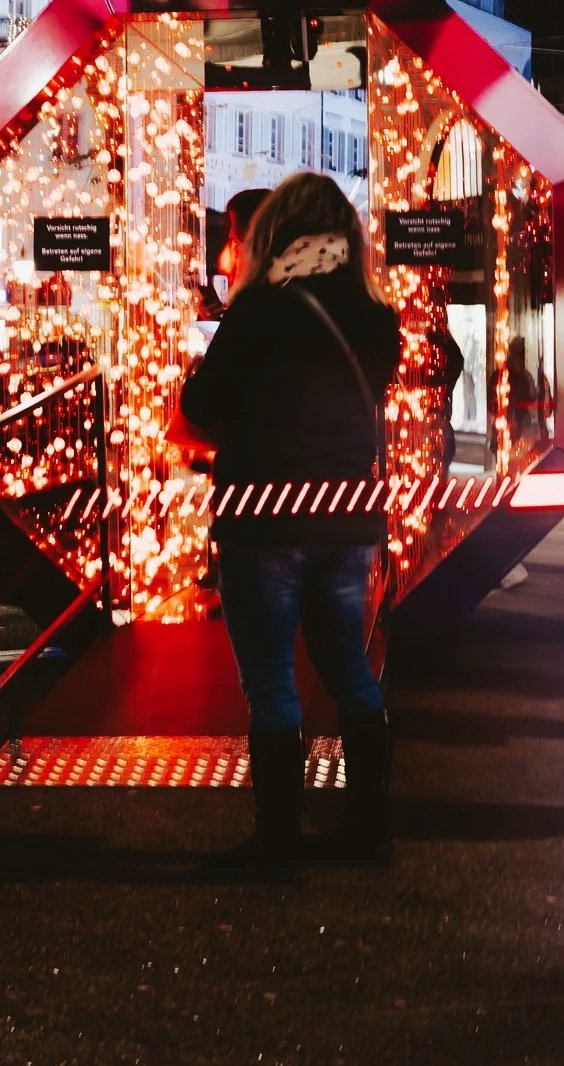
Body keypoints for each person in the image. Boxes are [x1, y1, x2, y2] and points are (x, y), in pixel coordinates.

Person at [179, 171, 400, 869]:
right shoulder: (374, 317)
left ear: (278, 231)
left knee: (272, 678)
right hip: (345, 517)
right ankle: (368, 832)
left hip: (265, 516)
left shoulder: (259, 311)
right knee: (349, 669)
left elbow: (203, 406)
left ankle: (277, 845)